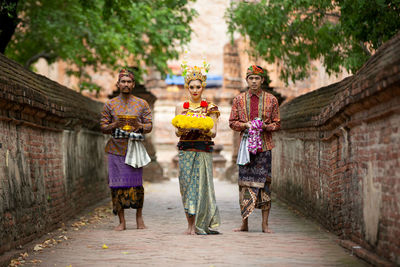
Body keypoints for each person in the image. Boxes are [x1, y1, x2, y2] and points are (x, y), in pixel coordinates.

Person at [229, 65, 280, 233]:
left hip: (264, 148)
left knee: (265, 184)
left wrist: (264, 127)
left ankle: (265, 224)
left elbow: (277, 123)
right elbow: (232, 122)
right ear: (247, 80)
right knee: (244, 185)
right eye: (251, 78)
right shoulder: (238, 100)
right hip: (245, 149)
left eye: (257, 78)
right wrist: (245, 125)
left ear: (262, 80)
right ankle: (245, 223)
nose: (254, 81)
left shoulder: (272, 100)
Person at [100, 69, 152, 231]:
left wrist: (140, 126)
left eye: (129, 82)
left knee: (136, 184)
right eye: (123, 81)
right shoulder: (110, 104)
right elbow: (102, 127)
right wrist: (114, 125)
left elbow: (149, 125)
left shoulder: (142, 104)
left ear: (133, 84)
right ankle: (121, 222)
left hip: (134, 149)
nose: (126, 84)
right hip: (115, 149)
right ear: (118, 84)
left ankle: (139, 218)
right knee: (117, 185)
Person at [174, 65, 221, 235]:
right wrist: (185, 126)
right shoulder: (181, 107)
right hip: (186, 149)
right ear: (187, 88)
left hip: (203, 150)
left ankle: (200, 224)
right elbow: (177, 132)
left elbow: (214, 132)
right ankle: (190, 225)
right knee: (186, 187)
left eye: (198, 87)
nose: (195, 90)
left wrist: (203, 126)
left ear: (203, 87)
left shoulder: (210, 108)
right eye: (191, 87)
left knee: (202, 187)